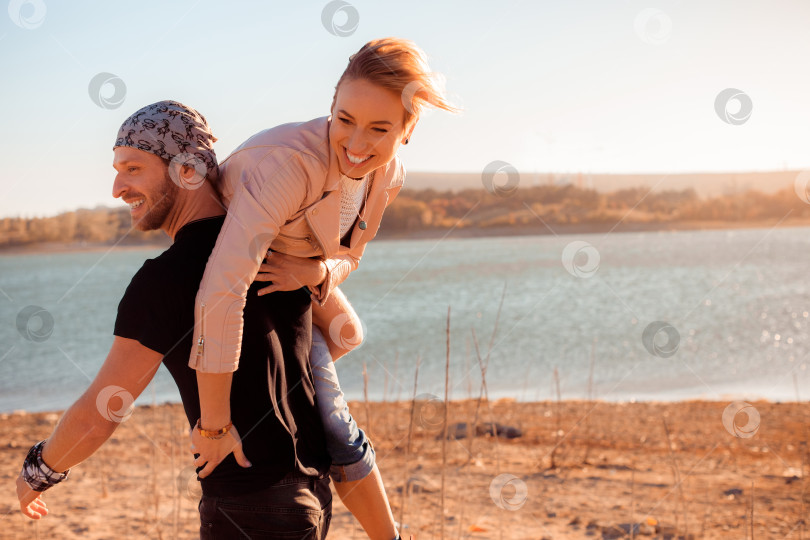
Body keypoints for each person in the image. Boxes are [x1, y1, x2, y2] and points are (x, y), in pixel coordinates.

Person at [16, 100, 333, 539]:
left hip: (249, 503)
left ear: (186, 169)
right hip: (312, 493)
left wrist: (39, 470)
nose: (116, 188)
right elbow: (338, 333)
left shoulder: (164, 279)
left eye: (132, 168)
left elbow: (101, 411)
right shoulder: (278, 248)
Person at [189, 37, 456, 540]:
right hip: (236, 279)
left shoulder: (388, 173)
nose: (357, 144)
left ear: (408, 130)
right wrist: (214, 425)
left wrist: (316, 274)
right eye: (344, 119)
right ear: (330, 107)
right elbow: (222, 287)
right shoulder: (290, 164)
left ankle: (301, 396)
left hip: (293, 276)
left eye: (380, 129)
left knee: (348, 331)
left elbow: (351, 253)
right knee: (334, 421)